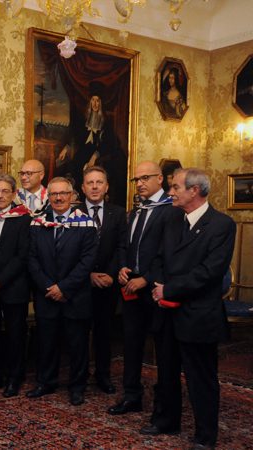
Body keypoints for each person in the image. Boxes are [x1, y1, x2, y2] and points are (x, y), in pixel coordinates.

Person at [145, 168, 235, 449]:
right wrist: (159, 284)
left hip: (197, 315)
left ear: (194, 191)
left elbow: (209, 273)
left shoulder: (221, 225)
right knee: (167, 372)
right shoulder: (172, 219)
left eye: (175, 187)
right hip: (167, 313)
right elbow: (157, 257)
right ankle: (166, 420)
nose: (170, 192)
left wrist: (168, 289)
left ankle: (205, 436)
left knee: (201, 379)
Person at [109, 161, 177, 417]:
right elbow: (126, 245)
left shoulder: (170, 210)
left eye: (145, 178)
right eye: (136, 179)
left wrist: (146, 279)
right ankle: (131, 395)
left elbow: (167, 254)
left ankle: (164, 403)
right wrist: (123, 267)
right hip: (131, 287)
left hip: (155, 288)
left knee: (162, 349)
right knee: (131, 343)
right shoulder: (136, 210)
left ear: (160, 179)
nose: (139, 183)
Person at [27, 177, 97, 406]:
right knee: (46, 343)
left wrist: (64, 287)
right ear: (49, 197)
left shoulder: (86, 224)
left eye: (63, 194)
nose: (58, 198)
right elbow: (32, 259)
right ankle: (46, 382)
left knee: (77, 346)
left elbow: (87, 262)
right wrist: (49, 286)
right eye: (54, 194)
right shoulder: (38, 223)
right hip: (46, 295)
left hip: (75, 297)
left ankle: (77, 387)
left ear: (72, 196)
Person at [0, 175, 32, 398]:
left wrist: (0, 279)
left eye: (5, 191)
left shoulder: (23, 219)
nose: (0, 195)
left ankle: (14, 378)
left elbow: (23, 256)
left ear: (13, 193)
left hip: (13, 285)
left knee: (14, 335)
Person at [77, 166, 127, 395]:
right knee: (78, 333)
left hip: (107, 283)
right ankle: (79, 376)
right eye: (90, 182)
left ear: (106, 187)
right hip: (80, 284)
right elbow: (69, 251)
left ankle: (103, 375)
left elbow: (121, 246)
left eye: (99, 182)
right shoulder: (73, 213)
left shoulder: (118, 213)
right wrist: (87, 275)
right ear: (83, 187)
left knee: (104, 333)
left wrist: (111, 273)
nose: (95, 186)